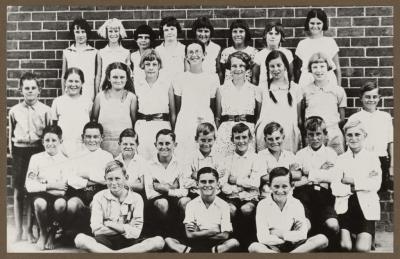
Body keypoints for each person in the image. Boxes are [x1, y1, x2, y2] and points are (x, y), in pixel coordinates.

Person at [74, 160, 165, 252]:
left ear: (126, 178)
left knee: (159, 241)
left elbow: (136, 232)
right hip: (105, 241)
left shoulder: (137, 198)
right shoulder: (99, 197)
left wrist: (109, 224)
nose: (114, 183)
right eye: (110, 179)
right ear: (105, 179)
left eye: (117, 178)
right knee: (80, 239)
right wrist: (127, 227)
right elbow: (97, 231)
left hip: (130, 242)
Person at [8, 72, 51, 243]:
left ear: (39, 90)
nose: (30, 91)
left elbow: (49, 134)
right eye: (26, 88)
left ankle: (29, 230)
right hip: (20, 152)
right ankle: (18, 231)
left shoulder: (46, 111)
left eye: (33, 88)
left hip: (37, 152)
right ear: (21, 91)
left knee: (33, 191)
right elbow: (11, 133)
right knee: (19, 192)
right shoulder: (14, 111)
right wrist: (13, 152)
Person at [248, 167, 328, 253]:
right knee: (254, 247)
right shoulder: (262, 205)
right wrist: (290, 235)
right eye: (276, 186)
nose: (280, 190)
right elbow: (262, 238)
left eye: (284, 186)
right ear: (269, 186)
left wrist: (280, 234)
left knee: (322, 239)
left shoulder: (296, 203)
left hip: (295, 247)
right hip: (272, 248)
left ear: (291, 186)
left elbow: (303, 234)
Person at [331, 120, 381, 252]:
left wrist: (351, 181)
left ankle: (365, 236)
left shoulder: (372, 158)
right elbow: (335, 187)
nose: (353, 138)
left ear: (364, 135)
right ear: (345, 137)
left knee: (361, 249)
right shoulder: (340, 159)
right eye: (349, 135)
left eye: (357, 134)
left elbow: (375, 184)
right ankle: (351, 236)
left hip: (366, 207)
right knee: (345, 247)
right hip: (346, 207)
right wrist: (359, 184)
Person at [165, 167, 240, 253]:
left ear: (218, 184)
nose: (207, 185)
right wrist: (214, 230)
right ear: (197, 184)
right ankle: (200, 251)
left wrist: (199, 232)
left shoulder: (224, 205)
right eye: (203, 182)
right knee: (169, 240)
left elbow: (225, 235)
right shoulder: (191, 204)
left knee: (234, 242)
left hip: (216, 244)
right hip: (195, 243)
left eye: (211, 181)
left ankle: (195, 252)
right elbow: (189, 235)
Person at [292, 116, 340, 250]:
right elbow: (295, 181)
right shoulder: (300, 155)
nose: (315, 138)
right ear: (306, 136)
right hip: (304, 197)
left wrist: (308, 174)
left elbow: (332, 177)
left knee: (333, 225)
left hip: (324, 197)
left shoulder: (331, 154)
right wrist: (320, 172)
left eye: (318, 134)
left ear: (325, 135)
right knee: (305, 226)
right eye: (311, 135)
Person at [66, 121, 114, 235]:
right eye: (88, 136)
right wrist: (91, 182)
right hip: (80, 194)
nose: (92, 140)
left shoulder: (107, 157)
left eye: (95, 137)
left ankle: (94, 233)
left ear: (102, 138)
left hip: (98, 194)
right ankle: (68, 230)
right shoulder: (75, 156)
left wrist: (86, 174)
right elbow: (71, 179)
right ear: (83, 137)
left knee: (96, 205)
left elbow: (107, 179)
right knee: (71, 205)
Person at [25, 125, 69, 250]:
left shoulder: (65, 160)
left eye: (54, 140)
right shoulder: (36, 158)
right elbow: (29, 185)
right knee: (39, 203)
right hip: (41, 195)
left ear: (60, 141)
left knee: (61, 204)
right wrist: (51, 185)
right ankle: (43, 233)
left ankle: (52, 233)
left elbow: (62, 189)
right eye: (47, 140)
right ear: (42, 142)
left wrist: (41, 182)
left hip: (58, 196)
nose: (50, 144)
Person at [173, 40, 219, 157]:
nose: (194, 55)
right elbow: (178, 104)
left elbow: (213, 103)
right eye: (191, 52)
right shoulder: (180, 78)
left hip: (205, 119)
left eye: (198, 51)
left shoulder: (212, 78)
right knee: (184, 155)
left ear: (204, 55)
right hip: (185, 121)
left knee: (206, 153)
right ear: (186, 56)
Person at [219, 123, 261, 248]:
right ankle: (231, 241)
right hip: (231, 196)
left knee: (246, 209)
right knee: (230, 209)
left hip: (251, 197)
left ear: (250, 139)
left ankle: (247, 242)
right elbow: (223, 184)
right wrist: (239, 188)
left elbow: (255, 183)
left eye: (244, 137)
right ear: (232, 139)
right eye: (237, 138)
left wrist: (236, 180)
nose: (241, 141)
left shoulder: (256, 158)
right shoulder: (227, 159)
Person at [348, 81, 393, 192]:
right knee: (361, 191)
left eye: (374, 97)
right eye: (367, 97)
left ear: (379, 98)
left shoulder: (385, 117)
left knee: (379, 193)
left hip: (381, 159)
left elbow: (391, 142)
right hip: (361, 160)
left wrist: (392, 165)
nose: (371, 100)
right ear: (361, 98)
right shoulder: (355, 118)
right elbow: (349, 143)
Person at [144, 129, 190, 237]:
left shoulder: (181, 164)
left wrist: (166, 189)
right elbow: (150, 193)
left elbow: (185, 191)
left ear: (175, 145)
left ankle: (186, 236)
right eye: (160, 143)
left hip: (175, 199)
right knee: (163, 203)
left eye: (168, 143)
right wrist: (173, 187)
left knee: (186, 201)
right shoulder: (148, 165)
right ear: (155, 145)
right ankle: (164, 234)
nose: (164, 147)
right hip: (156, 202)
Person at [214, 51, 261, 157]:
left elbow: (257, 117)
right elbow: (217, 117)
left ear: (247, 68)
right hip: (226, 131)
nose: (238, 69)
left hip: (247, 131)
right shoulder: (221, 89)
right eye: (234, 66)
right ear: (229, 68)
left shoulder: (254, 89)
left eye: (241, 66)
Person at [255, 50, 302, 153]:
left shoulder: (295, 88)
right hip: (267, 132)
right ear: (268, 68)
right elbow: (258, 115)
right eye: (272, 66)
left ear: (285, 66)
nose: (275, 69)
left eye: (279, 65)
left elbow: (298, 118)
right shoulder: (262, 87)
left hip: (288, 133)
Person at [300, 52, 347, 155]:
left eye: (322, 66)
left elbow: (342, 118)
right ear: (310, 69)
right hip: (313, 135)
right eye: (315, 67)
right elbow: (302, 114)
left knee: (336, 164)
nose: (319, 70)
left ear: (328, 68)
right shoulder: (305, 91)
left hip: (333, 133)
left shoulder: (338, 91)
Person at [134, 49, 176, 160]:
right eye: (147, 64)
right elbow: (133, 111)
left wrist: (173, 130)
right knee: (143, 157)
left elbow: (172, 112)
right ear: (142, 66)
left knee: (161, 157)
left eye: (154, 64)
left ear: (159, 66)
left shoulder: (166, 84)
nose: (151, 67)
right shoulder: (137, 84)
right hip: (142, 126)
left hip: (162, 125)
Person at [92, 62, 137, 157]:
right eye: (115, 77)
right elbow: (94, 120)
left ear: (127, 78)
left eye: (122, 77)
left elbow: (134, 122)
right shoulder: (100, 96)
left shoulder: (131, 97)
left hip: (124, 144)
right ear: (109, 78)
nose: (118, 80)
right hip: (105, 143)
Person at [295, 8, 342, 88]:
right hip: (307, 82)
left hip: (328, 81)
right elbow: (299, 69)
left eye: (318, 23)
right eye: (312, 23)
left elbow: (337, 68)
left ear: (323, 24)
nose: (315, 26)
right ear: (308, 23)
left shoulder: (330, 42)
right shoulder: (302, 44)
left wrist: (339, 88)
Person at [51, 67, 92, 157]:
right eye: (70, 81)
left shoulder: (87, 101)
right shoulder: (58, 101)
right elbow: (54, 127)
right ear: (65, 82)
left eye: (77, 81)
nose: (73, 84)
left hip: (83, 147)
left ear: (82, 83)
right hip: (63, 148)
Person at [256, 122, 301, 197]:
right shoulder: (261, 155)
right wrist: (289, 172)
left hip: (288, 195)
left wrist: (271, 173)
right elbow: (263, 178)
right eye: (270, 139)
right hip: (268, 194)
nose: (274, 142)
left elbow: (298, 175)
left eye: (277, 138)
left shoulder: (289, 155)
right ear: (265, 139)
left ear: (283, 137)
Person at [181, 122, 222, 199]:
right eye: (203, 140)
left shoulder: (218, 157)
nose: (206, 144)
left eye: (209, 140)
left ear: (214, 139)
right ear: (196, 139)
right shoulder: (190, 157)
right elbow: (185, 181)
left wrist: (197, 176)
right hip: (195, 193)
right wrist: (211, 180)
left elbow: (222, 180)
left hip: (215, 194)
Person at [62, 18, 97, 101]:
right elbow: (63, 76)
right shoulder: (67, 52)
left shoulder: (94, 52)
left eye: (83, 32)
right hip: (71, 91)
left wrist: (96, 95)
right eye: (77, 32)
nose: (80, 35)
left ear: (87, 33)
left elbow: (96, 77)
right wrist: (64, 94)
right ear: (73, 34)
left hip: (88, 93)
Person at [252, 21, 294, 86]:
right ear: (265, 35)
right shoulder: (259, 55)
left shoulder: (287, 53)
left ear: (281, 36)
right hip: (264, 90)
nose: (273, 36)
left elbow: (291, 76)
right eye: (270, 33)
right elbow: (255, 78)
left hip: (283, 89)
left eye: (276, 34)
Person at [96, 18, 130, 91]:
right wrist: (97, 94)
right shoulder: (101, 52)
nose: (113, 34)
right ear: (106, 33)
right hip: (104, 89)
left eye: (116, 31)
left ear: (120, 32)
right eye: (110, 31)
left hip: (121, 90)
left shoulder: (126, 52)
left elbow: (128, 75)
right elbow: (98, 75)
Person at [219, 19, 258, 84]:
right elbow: (222, 76)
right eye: (235, 31)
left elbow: (255, 78)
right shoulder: (226, 52)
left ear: (246, 33)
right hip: (229, 89)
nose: (238, 34)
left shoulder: (253, 52)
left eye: (241, 31)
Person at [114, 128, 147, 197]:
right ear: (119, 144)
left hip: (136, 196)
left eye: (132, 144)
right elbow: (112, 183)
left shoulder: (141, 161)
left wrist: (121, 183)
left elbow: (141, 186)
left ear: (137, 145)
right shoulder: (115, 161)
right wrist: (133, 184)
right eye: (125, 144)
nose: (128, 147)